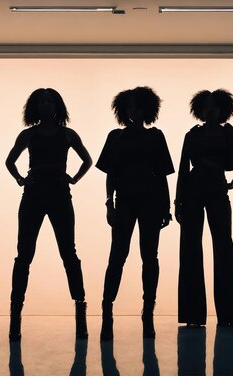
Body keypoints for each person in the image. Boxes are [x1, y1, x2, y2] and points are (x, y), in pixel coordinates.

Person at [6, 88, 92, 341]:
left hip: (58, 193)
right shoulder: (29, 134)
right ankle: (15, 315)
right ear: (35, 107)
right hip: (35, 194)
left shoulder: (67, 134)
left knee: (68, 251)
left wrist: (73, 178)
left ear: (57, 106)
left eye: (49, 101)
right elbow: (10, 162)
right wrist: (22, 180)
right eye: (41, 102)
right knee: (24, 253)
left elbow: (87, 160)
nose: (45, 105)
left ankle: (80, 309)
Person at [96, 87, 174, 341]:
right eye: (130, 107)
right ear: (124, 110)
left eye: (138, 107)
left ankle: (148, 313)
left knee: (149, 256)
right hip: (125, 201)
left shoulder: (156, 136)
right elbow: (110, 173)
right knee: (117, 255)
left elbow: (162, 174)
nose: (134, 111)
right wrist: (109, 203)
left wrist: (166, 207)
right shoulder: (115, 136)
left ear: (147, 109)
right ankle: (107, 311)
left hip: (151, 201)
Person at [175, 89, 233, 327]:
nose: (210, 110)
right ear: (200, 110)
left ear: (222, 110)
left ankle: (230, 315)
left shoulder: (228, 133)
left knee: (223, 248)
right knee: (190, 248)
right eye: (206, 106)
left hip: (217, 192)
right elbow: (182, 169)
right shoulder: (191, 135)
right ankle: (193, 316)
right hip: (192, 192)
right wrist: (177, 201)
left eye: (214, 106)